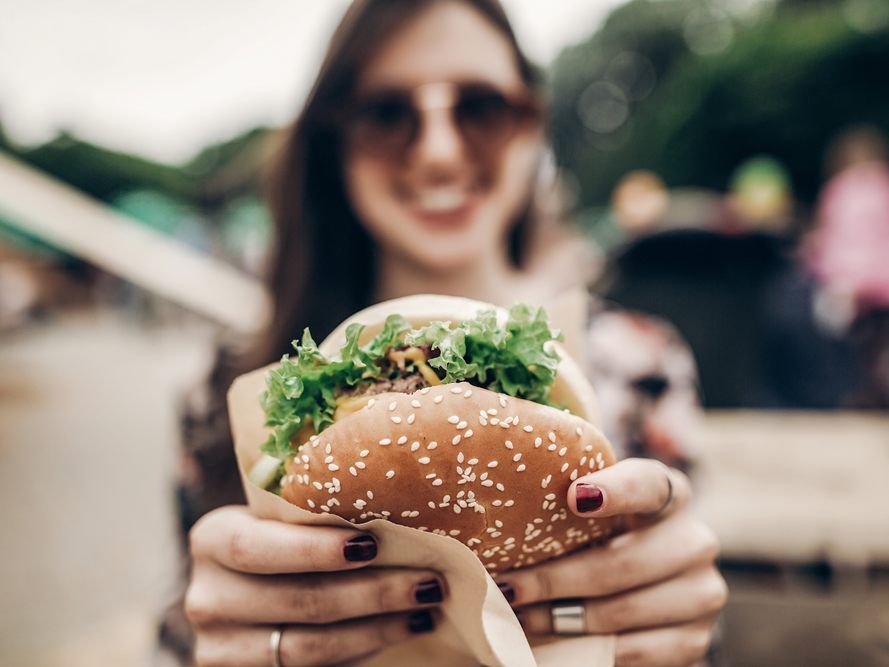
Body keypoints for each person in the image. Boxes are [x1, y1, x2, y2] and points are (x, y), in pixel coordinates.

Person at [167, 1, 727, 665]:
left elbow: (688, 621)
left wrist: (682, 626)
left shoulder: (642, 362)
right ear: (333, 141)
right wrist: (204, 641)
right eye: (386, 114)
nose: (438, 152)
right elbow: (175, 636)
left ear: (530, 127)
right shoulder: (225, 387)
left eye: (481, 108)